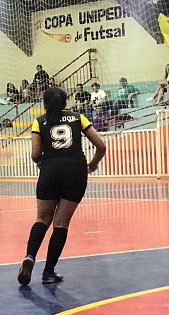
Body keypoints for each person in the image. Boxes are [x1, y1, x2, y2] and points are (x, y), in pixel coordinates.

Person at [17, 87, 106, 286]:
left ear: (44, 104)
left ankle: (30, 256)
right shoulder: (78, 118)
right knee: (61, 223)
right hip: (76, 171)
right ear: (66, 103)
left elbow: (35, 154)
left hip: (50, 170)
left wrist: (44, 163)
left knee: (42, 219)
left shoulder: (39, 121)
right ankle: (48, 272)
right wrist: (93, 164)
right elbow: (101, 146)